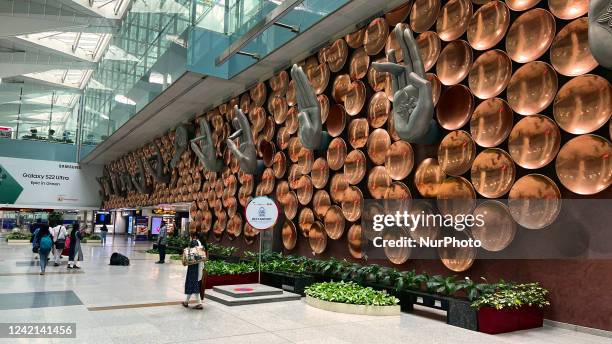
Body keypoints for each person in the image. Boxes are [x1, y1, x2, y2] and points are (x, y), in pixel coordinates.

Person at [182, 235, 205, 309]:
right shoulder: (201, 244)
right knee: (192, 284)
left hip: (193, 267)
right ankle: (186, 302)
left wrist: (185, 252)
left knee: (193, 284)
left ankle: (199, 303)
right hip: (198, 266)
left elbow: (190, 254)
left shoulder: (194, 241)